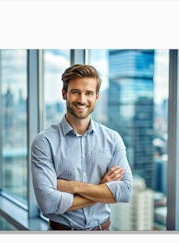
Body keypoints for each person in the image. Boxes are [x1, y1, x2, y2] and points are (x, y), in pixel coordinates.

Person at [31, 64, 133, 231]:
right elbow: (48, 203)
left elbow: (126, 191)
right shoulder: (44, 142)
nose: (82, 100)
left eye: (89, 93)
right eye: (75, 92)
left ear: (97, 96)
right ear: (64, 94)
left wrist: (72, 186)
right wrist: (102, 190)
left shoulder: (113, 139)